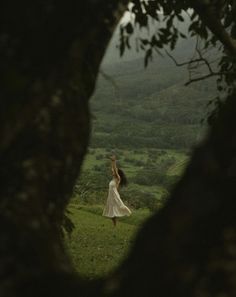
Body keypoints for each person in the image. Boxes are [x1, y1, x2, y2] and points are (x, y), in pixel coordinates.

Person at [102, 155, 131, 226]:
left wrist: (114, 161)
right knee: (111, 211)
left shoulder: (118, 178)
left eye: (115, 171)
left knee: (116, 208)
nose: (113, 172)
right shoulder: (113, 179)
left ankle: (118, 220)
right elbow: (112, 169)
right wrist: (111, 162)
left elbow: (114, 169)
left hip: (115, 196)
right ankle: (114, 224)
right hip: (111, 196)